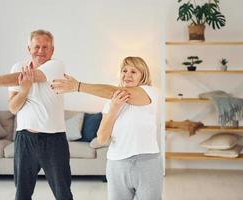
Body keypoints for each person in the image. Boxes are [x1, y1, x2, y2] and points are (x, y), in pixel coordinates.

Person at [0, 29, 73, 200]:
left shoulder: (56, 66)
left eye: (45, 47)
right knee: (22, 194)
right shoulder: (17, 67)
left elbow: (28, 77)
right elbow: (13, 107)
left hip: (54, 140)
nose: (41, 51)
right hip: (25, 140)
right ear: (28, 48)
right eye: (36, 47)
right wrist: (24, 90)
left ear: (52, 50)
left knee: (63, 194)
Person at [52, 56, 163, 200]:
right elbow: (102, 138)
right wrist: (114, 109)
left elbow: (118, 92)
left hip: (147, 163)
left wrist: (77, 86)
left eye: (133, 72)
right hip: (117, 164)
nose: (127, 75)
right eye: (124, 70)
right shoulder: (110, 103)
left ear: (143, 75)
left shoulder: (150, 92)